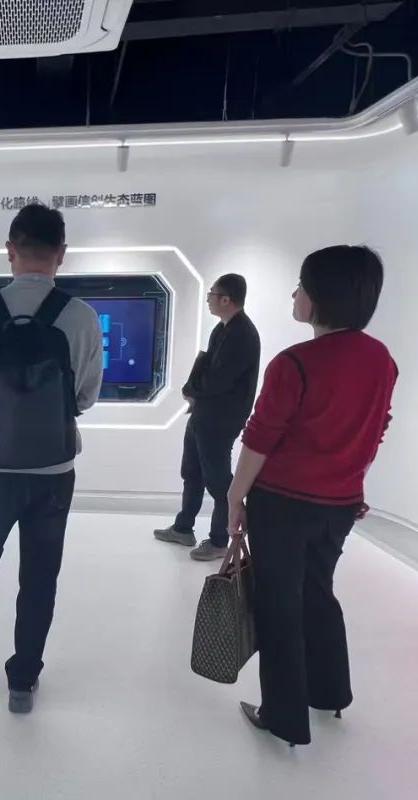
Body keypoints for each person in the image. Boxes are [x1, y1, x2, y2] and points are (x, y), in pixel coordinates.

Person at [0, 204, 103, 714]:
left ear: (10, 250)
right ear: (61, 255)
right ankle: (22, 684)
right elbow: (86, 398)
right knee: (40, 578)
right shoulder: (80, 316)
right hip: (53, 472)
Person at [227, 245, 397, 747]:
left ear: (322, 296)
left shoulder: (294, 363)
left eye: (300, 286)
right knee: (318, 592)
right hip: (339, 504)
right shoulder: (381, 359)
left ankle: (283, 716)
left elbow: (260, 438)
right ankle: (329, 692)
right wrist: (351, 482)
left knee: (279, 603)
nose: (295, 295)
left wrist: (235, 496)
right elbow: (375, 429)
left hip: (283, 502)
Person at [154, 275, 260, 561]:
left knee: (218, 479)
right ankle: (183, 528)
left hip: (220, 419)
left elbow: (218, 379)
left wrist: (192, 389)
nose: (208, 299)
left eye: (211, 294)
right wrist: (194, 392)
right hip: (205, 413)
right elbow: (211, 370)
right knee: (192, 471)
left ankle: (219, 540)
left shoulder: (241, 334)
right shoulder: (223, 328)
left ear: (226, 299)